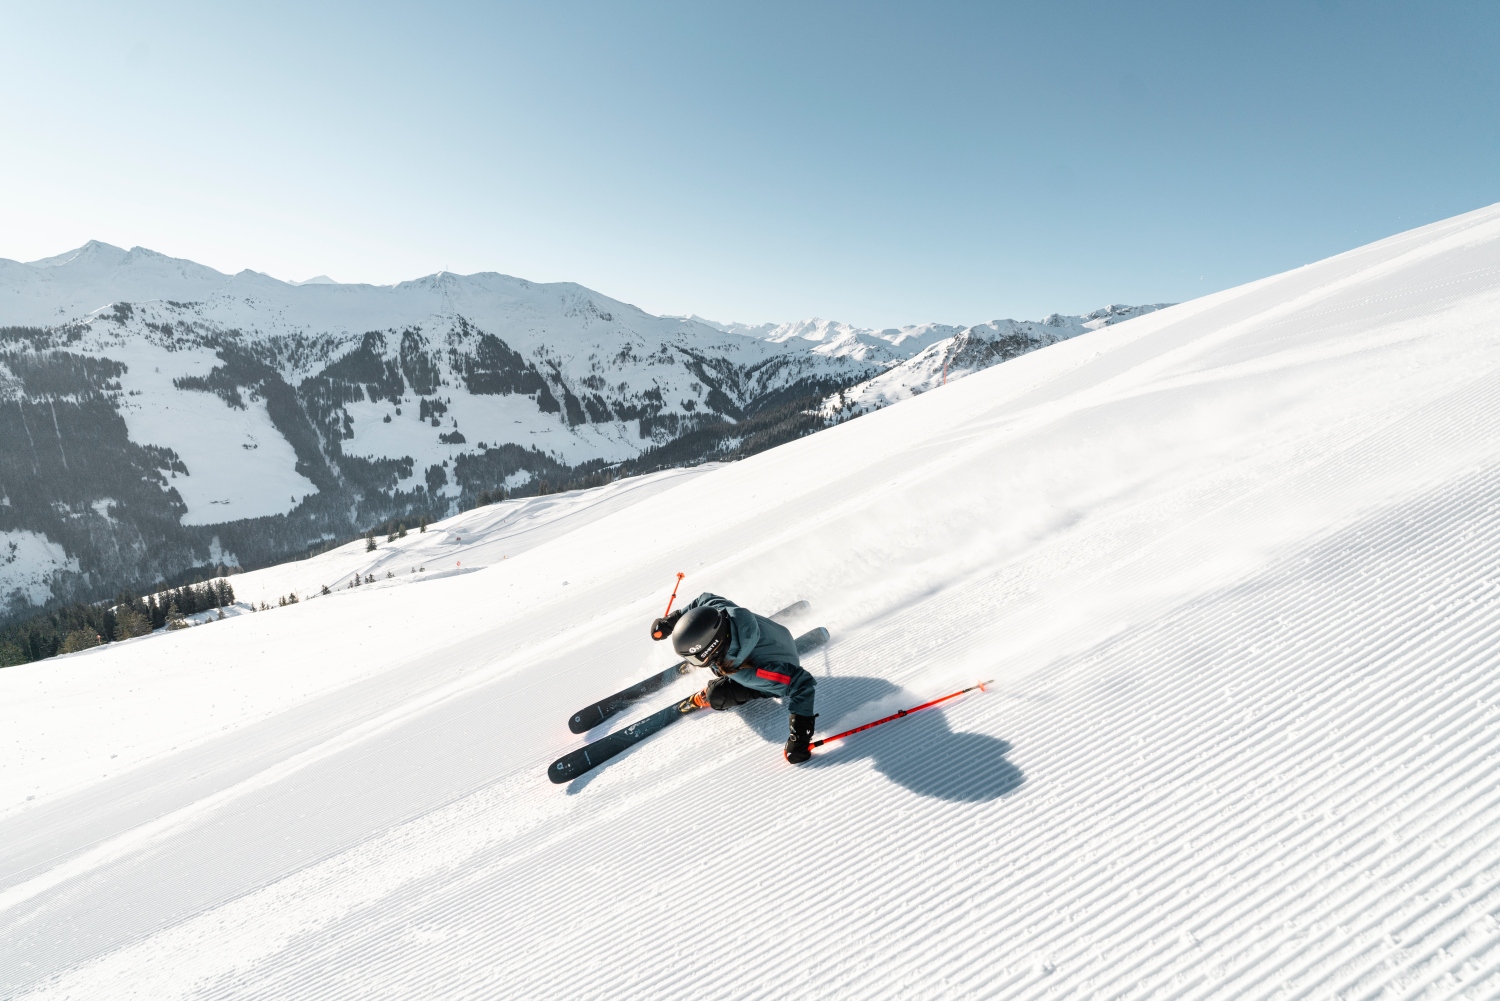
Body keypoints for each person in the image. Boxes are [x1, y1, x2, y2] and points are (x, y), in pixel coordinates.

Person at [652, 592, 817, 763]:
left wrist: (800, 736)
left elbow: (801, 682)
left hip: (777, 671)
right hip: (777, 634)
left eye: (695, 659)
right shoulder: (720, 610)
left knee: (716, 696)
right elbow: (703, 599)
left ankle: (718, 693)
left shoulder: (749, 673)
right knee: (722, 671)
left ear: (713, 649)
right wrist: (671, 621)